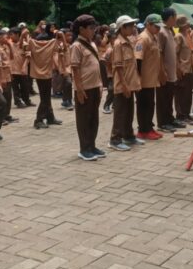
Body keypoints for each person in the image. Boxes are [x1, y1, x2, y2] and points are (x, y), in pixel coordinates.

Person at [70, 15, 105, 161]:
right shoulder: (76, 46)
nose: (93, 31)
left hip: (95, 86)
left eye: (94, 28)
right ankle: (84, 149)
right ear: (81, 29)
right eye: (91, 28)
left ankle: (92, 145)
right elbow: (75, 69)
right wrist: (79, 89)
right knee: (84, 119)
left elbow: (96, 66)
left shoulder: (92, 44)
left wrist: (100, 84)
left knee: (94, 118)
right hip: (84, 88)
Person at [108, 15, 143, 151]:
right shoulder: (118, 44)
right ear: (123, 28)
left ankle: (128, 136)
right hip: (122, 85)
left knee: (129, 111)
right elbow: (118, 67)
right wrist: (124, 85)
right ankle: (115, 139)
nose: (133, 28)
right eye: (131, 26)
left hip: (130, 84)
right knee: (120, 113)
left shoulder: (128, 41)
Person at [135, 14, 165, 140]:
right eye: (156, 26)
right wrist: (138, 78)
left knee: (150, 104)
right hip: (144, 79)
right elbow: (138, 59)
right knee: (144, 105)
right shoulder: (143, 38)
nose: (158, 29)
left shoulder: (154, 37)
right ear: (148, 25)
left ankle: (149, 127)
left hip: (152, 78)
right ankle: (143, 130)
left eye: (159, 27)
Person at [27, 29, 64, 129]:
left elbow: (26, 44)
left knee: (46, 98)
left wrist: (25, 35)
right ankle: (38, 120)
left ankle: (50, 117)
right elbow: (62, 48)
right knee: (45, 99)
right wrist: (59, 36)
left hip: (38, 75)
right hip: (47, 75)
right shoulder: (51, 44)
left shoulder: (33, 44)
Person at [156, 8, 184, 132]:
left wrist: (177, 67)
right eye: (175, 16)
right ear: (171, 17)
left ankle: (170, 119)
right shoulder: (161, 32)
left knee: (169, 97)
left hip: (171, 72)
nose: (176, 19)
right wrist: (162, 71)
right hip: (165, 72)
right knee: (163, 98)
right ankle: (163, 122)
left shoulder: (170, 31)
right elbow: (160, 53)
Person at [173, 16, 193, 124]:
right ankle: (181, 115)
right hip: (182, 69)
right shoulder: (178, 36)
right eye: (186, 23)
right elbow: (175, 54)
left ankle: (187, 113)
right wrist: (178, 68)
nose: (188, 25)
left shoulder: (187, 35)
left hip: (189, 68)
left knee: (188, 93)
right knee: (181, 93)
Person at [8, 28, 32, 108]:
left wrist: (24, 66)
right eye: (10, 34)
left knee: (25, 86)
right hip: (12, 70)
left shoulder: (24, 44)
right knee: (15, 88)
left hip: (22, 70)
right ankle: (18, 101)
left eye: (12, 34)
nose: (10, 36)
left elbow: (28, 56)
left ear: (17, 34)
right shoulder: (9, 44)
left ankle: (26, 100)